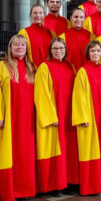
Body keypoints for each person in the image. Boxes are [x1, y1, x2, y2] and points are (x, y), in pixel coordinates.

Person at [0, 35, 37, 201]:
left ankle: (26, 190)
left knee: (26, 154)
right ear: (10, 47)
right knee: (8, 153)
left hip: (28, 118)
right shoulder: (1, 66)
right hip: (8, 117)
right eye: (16, 44)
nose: (20, 47)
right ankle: (10, 190)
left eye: (23, 44)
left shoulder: (32, 68)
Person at [71, 40, 101, 195]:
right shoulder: (83, 71)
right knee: (89, 150)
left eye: (98, 51)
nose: (95, 54)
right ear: (88, 54)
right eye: (92, 51)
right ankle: (90, 185)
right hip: (90, 116)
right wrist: (83, 117)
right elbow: (79, 96)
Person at [34, 38, 77, 193]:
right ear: (50, 51)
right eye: (55, 49)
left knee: (69, 149)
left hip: (69, 115)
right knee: (53, 148)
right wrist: (50, 117)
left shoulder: (70, 66)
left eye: (61, 48)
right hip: (54, 116)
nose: (59, 51)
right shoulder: (44, 67)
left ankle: (69, 182)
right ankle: (53, 185)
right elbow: (41, 94)